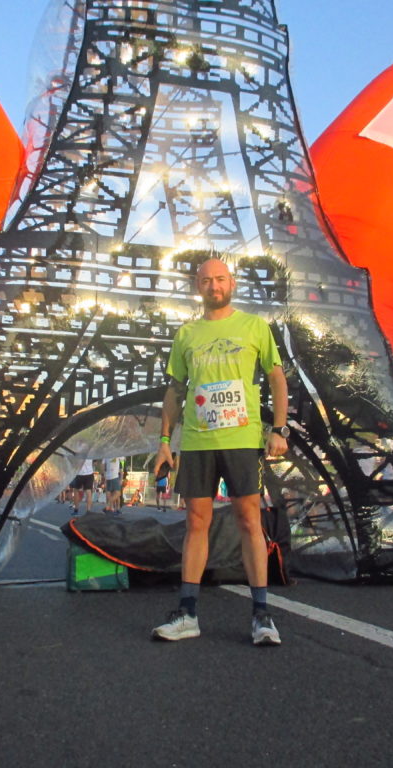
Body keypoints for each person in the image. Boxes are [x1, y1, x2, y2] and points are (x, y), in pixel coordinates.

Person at [151, 257, 289, 646]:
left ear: (232, 283)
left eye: (221, 279)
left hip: (242, 438)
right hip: (197, 440)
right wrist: (164, 441)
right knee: (196, 522)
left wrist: (279, 428)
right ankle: (188, 612)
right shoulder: (187, 334)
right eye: (207, 280)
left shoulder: (254, 326)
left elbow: (276, 377)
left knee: (249, 520)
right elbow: (175, 391)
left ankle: (262, 615)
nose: (214, 285)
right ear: (198, 286)